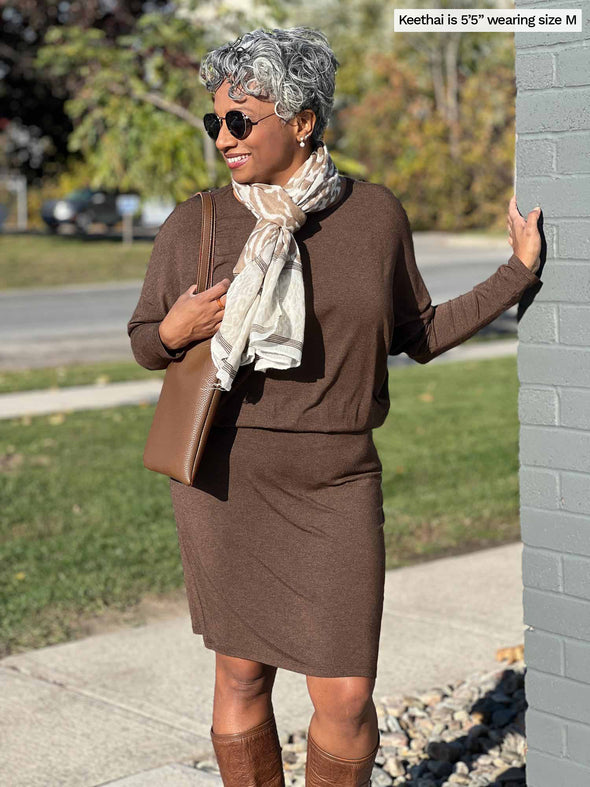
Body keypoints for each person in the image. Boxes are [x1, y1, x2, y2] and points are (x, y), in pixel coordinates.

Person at [126, 25, 542, 787]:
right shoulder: (198, 221)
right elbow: (146, 342)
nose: (225, 135)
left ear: (304, 120)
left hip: (339, 483)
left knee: (347, 695)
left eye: (241, 119)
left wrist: (513, 275)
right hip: (226, 482)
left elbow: (417, 333)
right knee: (242, 677)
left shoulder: (375, 216)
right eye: (215, 121)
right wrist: (174, 329)